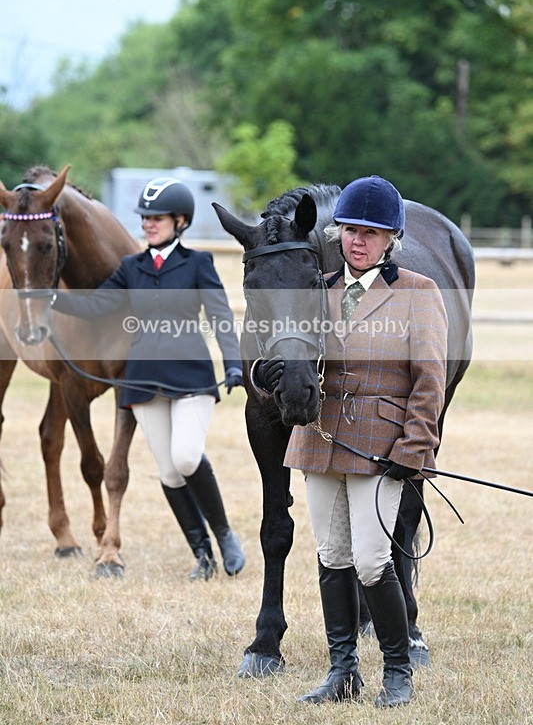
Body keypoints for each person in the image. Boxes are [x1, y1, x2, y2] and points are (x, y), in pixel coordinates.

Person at [253, 175, 448, 707]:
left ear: (392, 240)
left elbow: (430, 380)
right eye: (350, 231)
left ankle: (398, 670)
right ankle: (343, 671)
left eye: (372, 232)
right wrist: (263, 377)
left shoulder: (419, 293)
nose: (358, 241)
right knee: (332, 554)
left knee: (370, 559)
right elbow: (282, 358)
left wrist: (414, 449)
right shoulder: (318, 288)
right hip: (320, 443)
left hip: (381, 449)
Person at [52, 176, 245, 582]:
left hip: (190, 376)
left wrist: (233, 363)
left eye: (156, 218)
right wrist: (50, 298)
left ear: (180, 221)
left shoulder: (198, 264)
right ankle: (202, 554)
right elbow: (96, 306)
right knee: (169, 473)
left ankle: (225, 533)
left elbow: (220, 315)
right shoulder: (131, 268)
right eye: (145, 218)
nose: (148, 224)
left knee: (187, 457)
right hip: (143, 383)